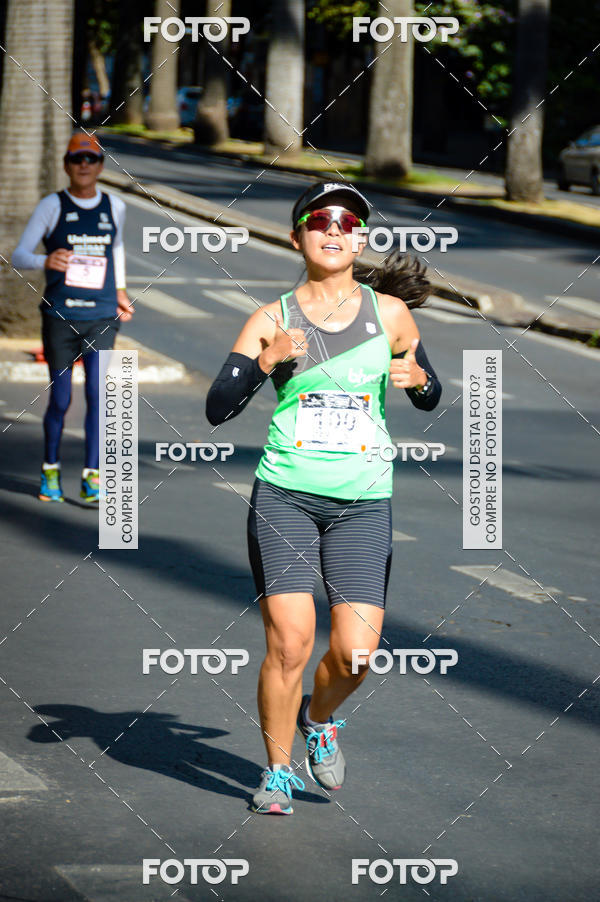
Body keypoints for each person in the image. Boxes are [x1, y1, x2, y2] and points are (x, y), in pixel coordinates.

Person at [206, 181, 442, 815]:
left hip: (363, 502)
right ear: (297, 236)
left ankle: (321, 715)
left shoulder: (389, 314)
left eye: (349, 222)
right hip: (285, 494)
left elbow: (429, 389)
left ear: (360, 237)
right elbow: (216, 408)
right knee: (289, 643)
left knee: (357, 653)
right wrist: (265, 363)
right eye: (320, 221)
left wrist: (418, 380)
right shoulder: (270, 319)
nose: (334, 230)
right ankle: (278, 772)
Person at [12, 132, 133, 503]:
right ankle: (51, 471)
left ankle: (92, 476)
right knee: (61, 400)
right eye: (77, 159)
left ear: (100, 166)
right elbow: (18, 256)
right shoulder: (52, 205)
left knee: (100, 396)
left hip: (101, 316)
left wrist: (121, 292)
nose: (84, 166)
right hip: (60, 317)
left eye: (91, 160)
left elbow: (116, 249)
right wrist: (44, 260)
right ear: (66, 165)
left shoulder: (115, 207)